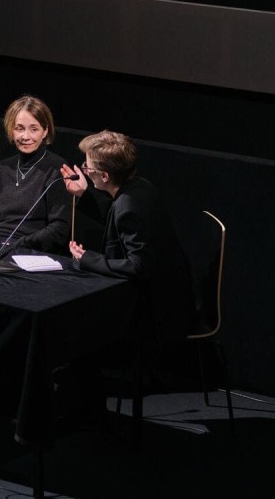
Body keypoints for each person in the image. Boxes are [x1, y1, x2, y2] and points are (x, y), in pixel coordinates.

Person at [60, 129, 197, 370]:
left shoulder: (128, 206)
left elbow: (139, 266)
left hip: (157, 309)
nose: (84, 170)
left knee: (77, 319)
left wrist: (88, 259)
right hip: (169, 290)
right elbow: (116, 217)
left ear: (103, 175)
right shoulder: (139, 186)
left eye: (87, 167)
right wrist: (84, 193)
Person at [0, 95, 71, 255]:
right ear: (11, 129)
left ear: (45, 131)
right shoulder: (1, 168)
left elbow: (58, 229)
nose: (26, 137)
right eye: (19, 128)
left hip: (31, 251)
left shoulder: (56, 168)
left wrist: (16, 246)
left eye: (34, 129)